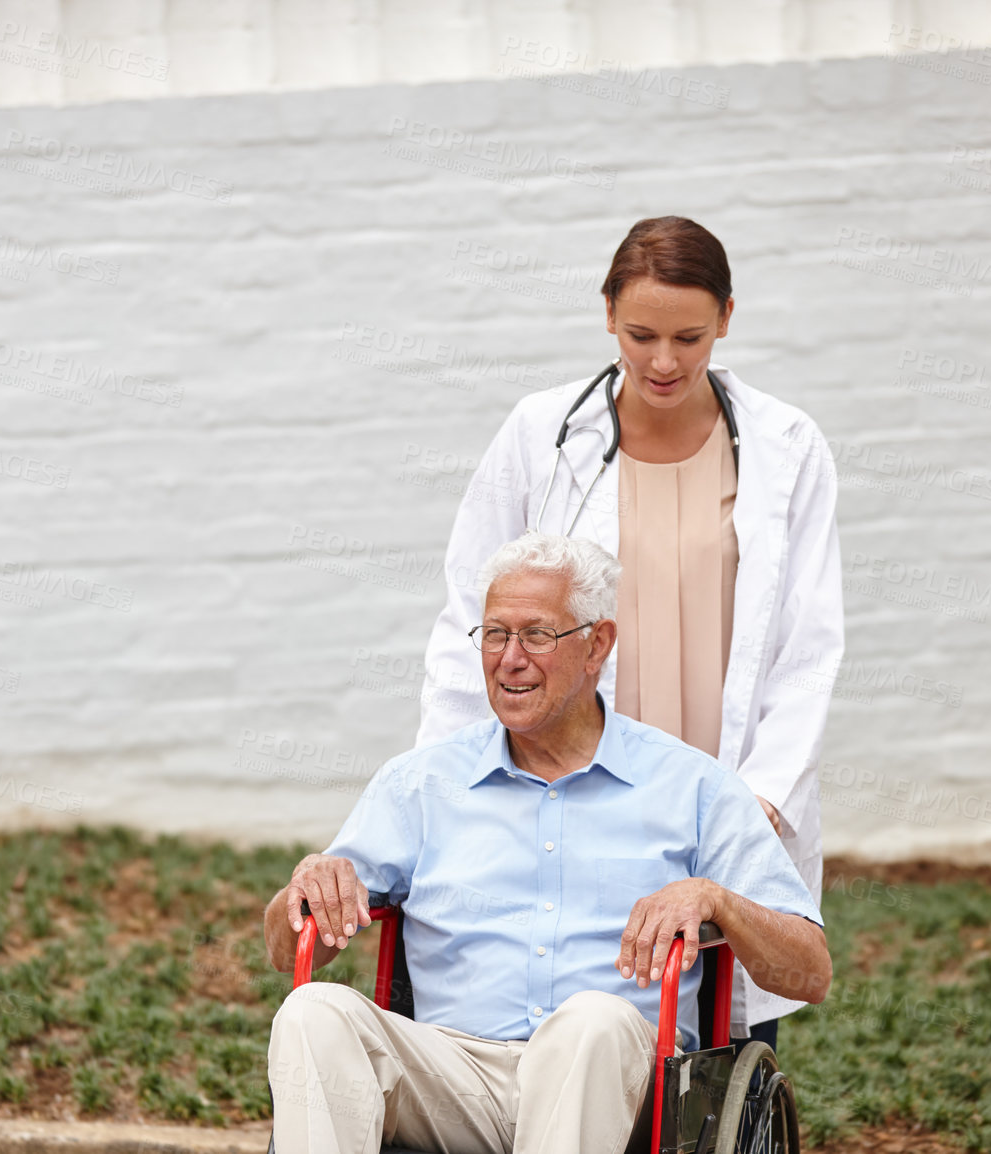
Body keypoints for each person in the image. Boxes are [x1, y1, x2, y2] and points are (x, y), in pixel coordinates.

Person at [416, 216, 843, 1048]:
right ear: (607, 312)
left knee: (716, 1015)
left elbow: (808, 644)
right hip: (571, 765)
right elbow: (471, 614)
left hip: (717, 773)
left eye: (689, 336)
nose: (663, 361)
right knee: (561, 983)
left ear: (727, 317)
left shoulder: (788, 448)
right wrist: (455, 774)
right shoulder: (542, 436)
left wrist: (757, 799)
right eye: (641, 333)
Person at [265, 534, 829, 1154]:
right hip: (455, 1072)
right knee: (314, 1012)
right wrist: (305, 889)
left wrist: (716, 899)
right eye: (495, 635)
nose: (509, 658)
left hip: (622, 1077)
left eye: (536, 635)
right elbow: (288, 948)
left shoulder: (692, 786)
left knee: (590, 1021)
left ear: (598, 645)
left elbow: (809, 971)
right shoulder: (419, 784)